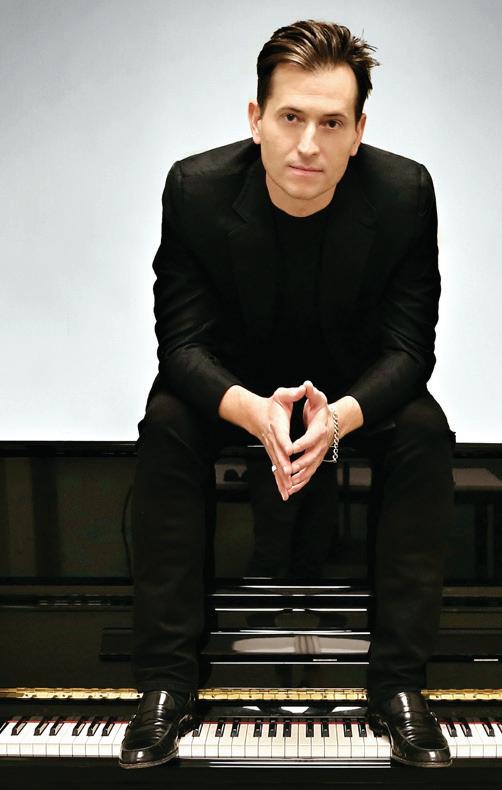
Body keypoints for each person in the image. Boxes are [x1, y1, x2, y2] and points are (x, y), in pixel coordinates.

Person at [119, 19, 456, 770]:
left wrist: (337, 419)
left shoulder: (404, 194)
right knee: (167, 419)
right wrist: (251, 410)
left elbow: (410, 351)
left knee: (424, 432)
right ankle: (167, 683)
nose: (308, 144)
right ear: (256, 119)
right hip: (233, 387)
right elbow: (182, 347)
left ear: (359, 131)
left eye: (331, 122)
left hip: (354, 391)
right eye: (291, 117)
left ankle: (399, 686)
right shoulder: (197, 190)